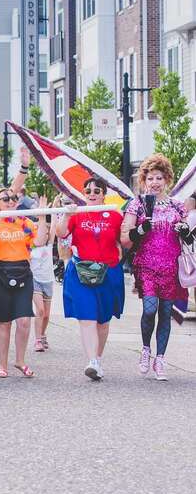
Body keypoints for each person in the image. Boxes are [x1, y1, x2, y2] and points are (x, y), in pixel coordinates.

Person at [121, 154, 191, 381]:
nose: (154, 182)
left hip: (171, 267)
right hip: (147, 266)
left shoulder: (177, 206)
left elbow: (190, 238)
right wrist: (141, 230)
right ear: (144, 180)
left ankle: (160, 358)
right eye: (150, 178)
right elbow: (125, 238)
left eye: (159, 178)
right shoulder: (138, 204)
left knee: (166, 312)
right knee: (150, 309)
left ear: (166, 179)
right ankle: (145, 350)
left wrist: (184, 230)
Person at [55, 178, 125, 380]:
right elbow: (61, 233)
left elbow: (126, 241)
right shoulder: (77, 213)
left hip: (108, 271)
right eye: (88, 190)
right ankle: (92, 361)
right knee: (87, 317)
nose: (92, 193)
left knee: (103, 320)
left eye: (96, 190)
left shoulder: (114, 215)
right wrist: (67, 214)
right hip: (82, 271)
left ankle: (98, 359)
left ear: (104, 194)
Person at [0, 190, 48, 379]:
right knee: (3, 323)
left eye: (14, 199)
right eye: (5, 199)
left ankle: (20, 360)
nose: (11, 202)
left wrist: (42, 216)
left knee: (24, 321)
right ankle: (2, 365)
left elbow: (40, 241)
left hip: (22, 271)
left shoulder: (24, 222)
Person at [31, 197, 59, 353]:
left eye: (47, 230)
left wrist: (54, 208)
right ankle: (37, 340)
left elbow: (54, 225)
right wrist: (41, 213)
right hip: (35, 280)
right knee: (40, 310)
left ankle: (42, 334)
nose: (46, 231)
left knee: (47, 314)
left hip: (48, 280)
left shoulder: (48, 245)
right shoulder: (32, 246)